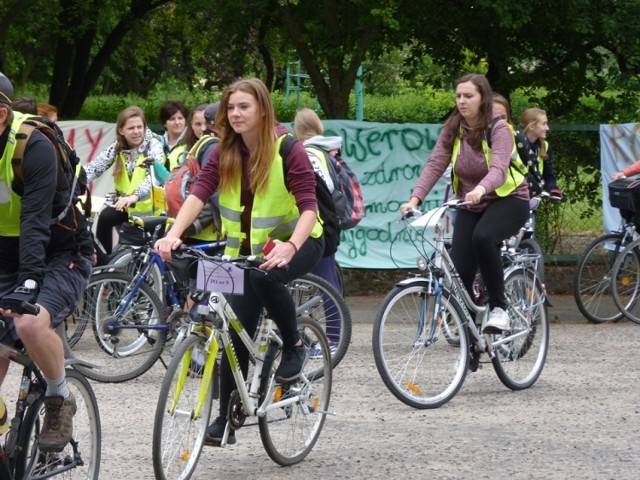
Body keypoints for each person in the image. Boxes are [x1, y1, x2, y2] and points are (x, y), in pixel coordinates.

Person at [155, 78, 324, 445]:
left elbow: (309, 207)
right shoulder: (223, 152)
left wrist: (290, 247)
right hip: (245, 251)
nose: (235, 114)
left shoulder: (287, 148)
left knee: (267, 277)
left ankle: (295, 346)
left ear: (262, 109)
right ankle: (226, 417)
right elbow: (199, 195)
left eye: (243, 107)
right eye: (230, 108)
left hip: (300, 239)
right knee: (232, 330)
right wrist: (174, 235)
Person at [0, 72, 94, 451]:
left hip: (60, 252)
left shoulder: (32, 147)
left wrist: (27, 285)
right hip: (5, 256)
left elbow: (35, 222)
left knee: (30, 323)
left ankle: (59, 396)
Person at [400, 73, 530, 333]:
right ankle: (470, 341)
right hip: (472, 203)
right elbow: (436, 162)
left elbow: (499, 169)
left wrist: (481, 188)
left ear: (483, 98)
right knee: (461, 274)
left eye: (468, 96)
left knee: (483, 237)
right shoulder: (454, 127)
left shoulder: (499, 128)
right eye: (458, 95)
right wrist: (414, 199)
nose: (462, 101)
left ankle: (499, 309)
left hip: (510, 199)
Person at [85, 106, 166, 256]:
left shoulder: (153, 145)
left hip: (152, 211)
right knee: (105, 217)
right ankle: (106, 263)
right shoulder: (118, 147)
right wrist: (72, 181)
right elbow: (94, 167)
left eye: (139, 127)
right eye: (131, 128)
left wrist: (134, 196)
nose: (136, 131)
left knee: (143, 254)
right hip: (130, 208)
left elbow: (153, 177)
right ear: (121, 130)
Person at [293, 107, 342, 352]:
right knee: (327, 279)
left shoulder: (310, 153)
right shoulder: (324, 149)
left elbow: (320, 188)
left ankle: (333, 339)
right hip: (326, 222)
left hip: (317, 224)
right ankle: (332, 336)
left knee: (326, 283)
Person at [518, 108, 562, 200]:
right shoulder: (515, 144)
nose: (547, 128)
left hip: (534, 198)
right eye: (544, 124)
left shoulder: (545, 146)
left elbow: (548, 175)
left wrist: (553, 189)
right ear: (532, 126)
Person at [160, 100, 189, 171]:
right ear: (164, 123)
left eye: (180, 118)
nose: (177, 122)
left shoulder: (192, 142)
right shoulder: (157, 142)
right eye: (172, 119)